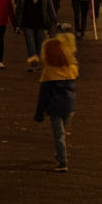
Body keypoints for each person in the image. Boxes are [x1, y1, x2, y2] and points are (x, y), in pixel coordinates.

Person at [34, 33, 78, 172]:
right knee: (62, 134)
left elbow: (44, 95)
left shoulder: (49, 72)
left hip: (55, 108)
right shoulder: (71, 68)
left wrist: (39, 113)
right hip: (69, 107)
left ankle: (62, 161)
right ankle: (60, 154)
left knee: (58, 135)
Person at [14, 0, 58, 70]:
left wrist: (54, 20)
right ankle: (33, 63)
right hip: (27, 22)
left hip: (41, 21)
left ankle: (37, 62)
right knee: (31, 44)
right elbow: (19, 8)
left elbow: (49, 5)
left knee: (40, 43)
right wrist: (17, 24)